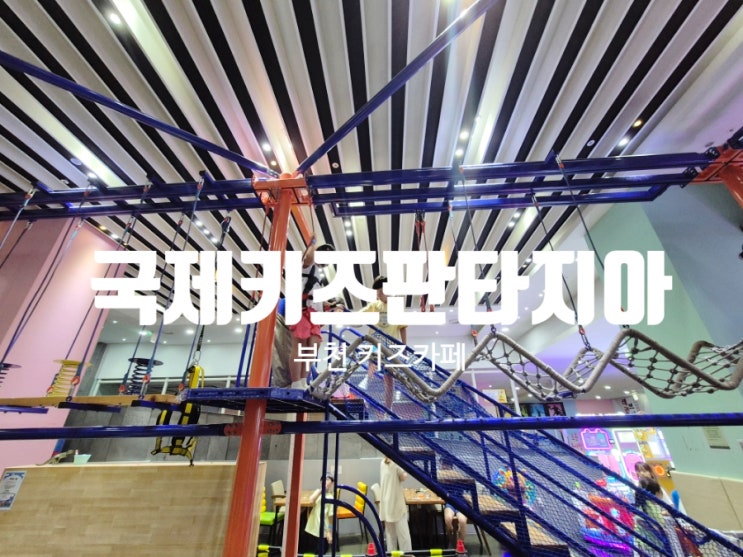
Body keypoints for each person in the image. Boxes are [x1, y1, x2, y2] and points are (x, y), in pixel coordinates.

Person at [288, 237, 334, 389]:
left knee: (312, 348)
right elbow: (308, 257)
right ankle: (296, 382)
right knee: (299, 345)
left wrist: (329, 304)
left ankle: (303, 380)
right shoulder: (308, 265)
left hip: (314, 313)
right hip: (301, 310)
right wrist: (313, 243)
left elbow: (315, 296)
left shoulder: (318, 275)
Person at [362, 275, 408, 408]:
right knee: (371, 368)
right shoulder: (374, 305)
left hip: (390, 348)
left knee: (389, 379)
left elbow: (402, 327)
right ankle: (365, 397)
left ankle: (388, 409)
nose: (379, 295)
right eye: (377, 293)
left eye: (381, 292)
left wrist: (404, 346)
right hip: (375, 344)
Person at [379, 457, 412, 553]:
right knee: (404, 537)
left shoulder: (382, 463)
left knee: (390, 538)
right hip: (396, 504)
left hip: (386, 505)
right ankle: (407, 555)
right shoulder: (396, 464)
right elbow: (403, 477)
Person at [305, 474, 335, 551]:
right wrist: (321, 490)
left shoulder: (331, 498)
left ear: (332, 483)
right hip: (313, 529)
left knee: (321, 551)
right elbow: (311, 500)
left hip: (323, 530)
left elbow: (331, 517)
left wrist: (330, 532)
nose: (325, 481)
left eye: (327, 479)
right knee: (311, 551)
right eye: (323, 479)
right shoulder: (318, 492)